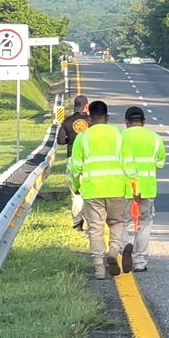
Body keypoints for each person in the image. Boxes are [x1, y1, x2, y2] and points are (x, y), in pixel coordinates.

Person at [69, 100, 133, 279]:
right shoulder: (120, 135)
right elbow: (129, 164)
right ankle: (113, 251)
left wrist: (76, 187)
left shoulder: (83, 137)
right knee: (118, 223)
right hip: (117, 188)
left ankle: (99, 269)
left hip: (92, 190)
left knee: (95, 229)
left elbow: (75, 167)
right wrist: (133, 187)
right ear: (108, 117)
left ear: (89, 118)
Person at [120, 106, 167, 272]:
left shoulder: (120, 137)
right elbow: (160, 163)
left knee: (124, 222)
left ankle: (125, 246)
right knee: (145, 224)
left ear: (126, 122)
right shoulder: (155, 138)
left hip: (125, 188)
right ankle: (140, 262)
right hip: (147, 188)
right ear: (144, 122)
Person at [57, 94, 92, 231]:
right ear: (87, 106)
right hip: (89, 159)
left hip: (72, 158)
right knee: (89, 190)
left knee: (75, 192)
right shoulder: (91, 121)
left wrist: (71, 141)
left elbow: (60, 141)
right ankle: (91, 220)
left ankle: (77, 223)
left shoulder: (67, 122)